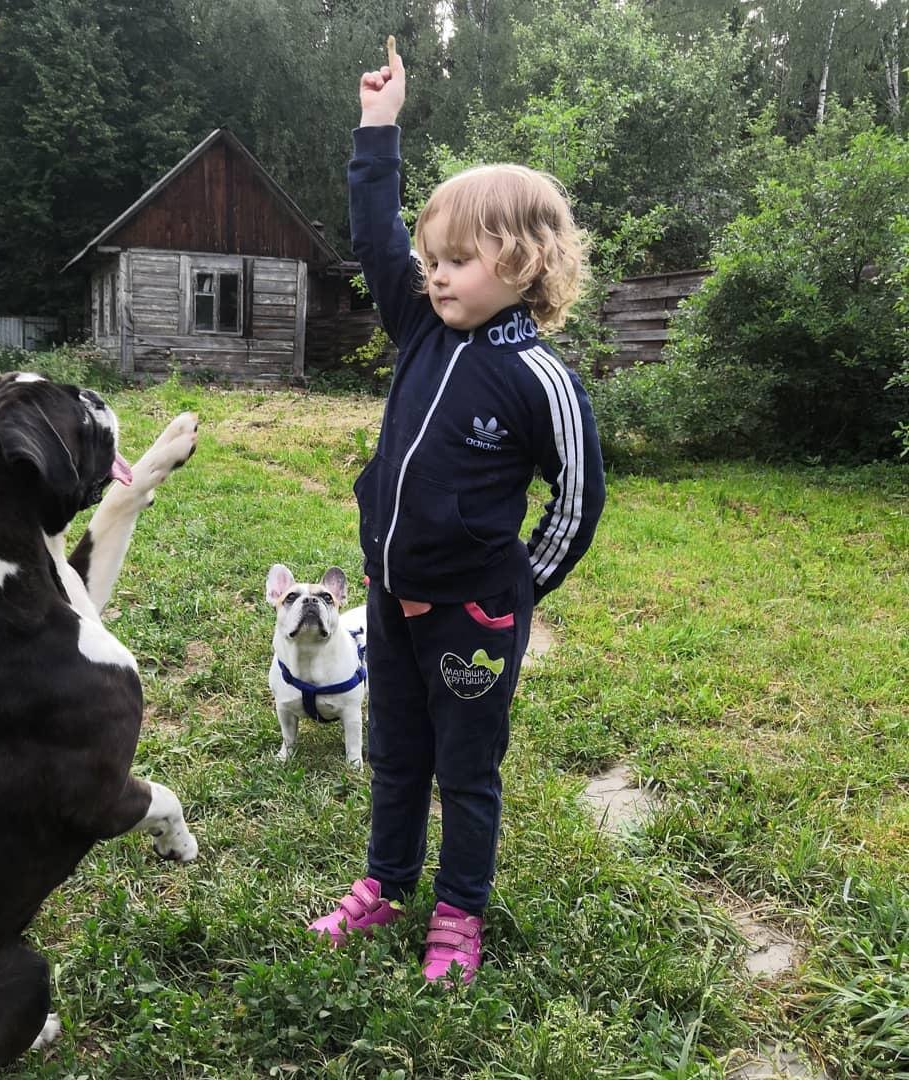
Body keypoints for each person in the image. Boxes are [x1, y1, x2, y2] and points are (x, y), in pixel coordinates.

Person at [308, 45, 605, 985]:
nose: (434, 276)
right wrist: (378, 129)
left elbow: (578, 498)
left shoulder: (539, 378)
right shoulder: (422, 327)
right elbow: (375, 237)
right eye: (431, 260)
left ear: (521, 262)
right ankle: (386, 884)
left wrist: (515, 587)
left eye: (456, 261)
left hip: (473, 613)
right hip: (392, 597)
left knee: (466, 771)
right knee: (396, 752)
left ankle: (459, 913)